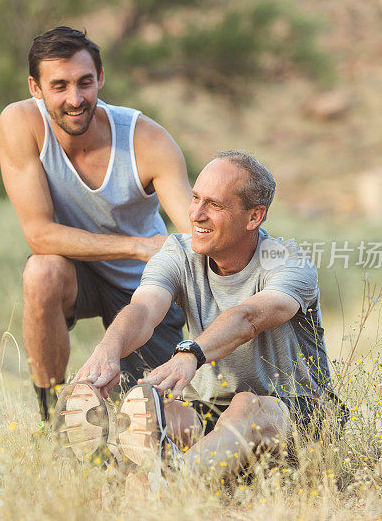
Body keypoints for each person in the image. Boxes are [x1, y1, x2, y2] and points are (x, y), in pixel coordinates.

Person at [70, 150, 346, 475]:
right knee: (163, 414)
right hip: (214, 412)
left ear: (254, 217)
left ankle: (176, 483)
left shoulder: (287, 262)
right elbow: (144, 308)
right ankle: (118, 464)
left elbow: (249, 318)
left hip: (298, 414)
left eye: (214, 205)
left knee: (245, 405)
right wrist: (109, 349)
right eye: (196, 198)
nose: (196, 214)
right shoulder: (179, 252)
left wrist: (191, 353)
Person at [0, 26, 193, 422]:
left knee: (151, 419)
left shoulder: (146, 139)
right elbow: (39, 235)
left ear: (100, 78)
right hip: (81, 273)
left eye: (85, 83)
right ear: (35, 87)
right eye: (60, 86)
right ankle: (50, 418)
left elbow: (195, 229)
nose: (75, 99)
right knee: (41, 271)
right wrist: (137, 245)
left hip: (144, 288)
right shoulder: (20, 123)